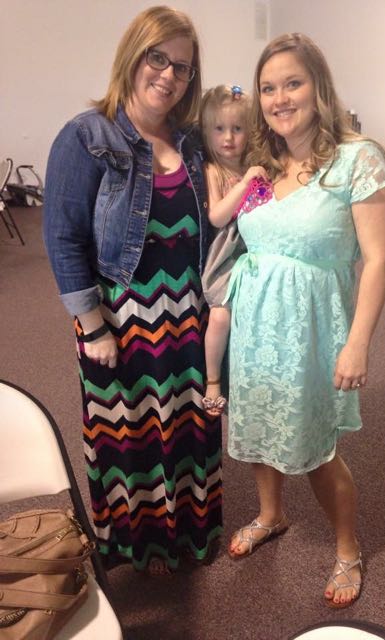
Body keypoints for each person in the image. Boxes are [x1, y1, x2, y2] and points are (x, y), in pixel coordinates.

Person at [43, 6, 222, 575]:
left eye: (183, 68)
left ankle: (191, 537)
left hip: (188, 320)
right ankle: (135, 546)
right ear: (134, 56)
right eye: (158, 58)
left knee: (190, 430)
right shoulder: (86, 136)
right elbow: (63, 237)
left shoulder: (194, 141)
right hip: (119, 322)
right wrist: (92, 324)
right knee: (132, 438)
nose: (169, 75)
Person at [225, 33, 385, 609]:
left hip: (312, 332)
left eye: (292, 83)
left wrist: (358, 343)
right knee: (257, 433)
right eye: (268, 87)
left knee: (318, 449)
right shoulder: (262, 165)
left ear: (318, 87)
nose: (279, 98)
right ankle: (271, 515)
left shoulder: (358, 159)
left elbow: (378, 259)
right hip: (254, 326)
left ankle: (347, 548)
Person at [198, 85, 267, 416]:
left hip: (257, 252)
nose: (229, 138)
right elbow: (217, 215)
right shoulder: (215, 170)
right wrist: (244, 185)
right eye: (219, 129)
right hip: (227, 256)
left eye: (237, 129)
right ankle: (213, 380)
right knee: (221, 315)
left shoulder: (257, 166)